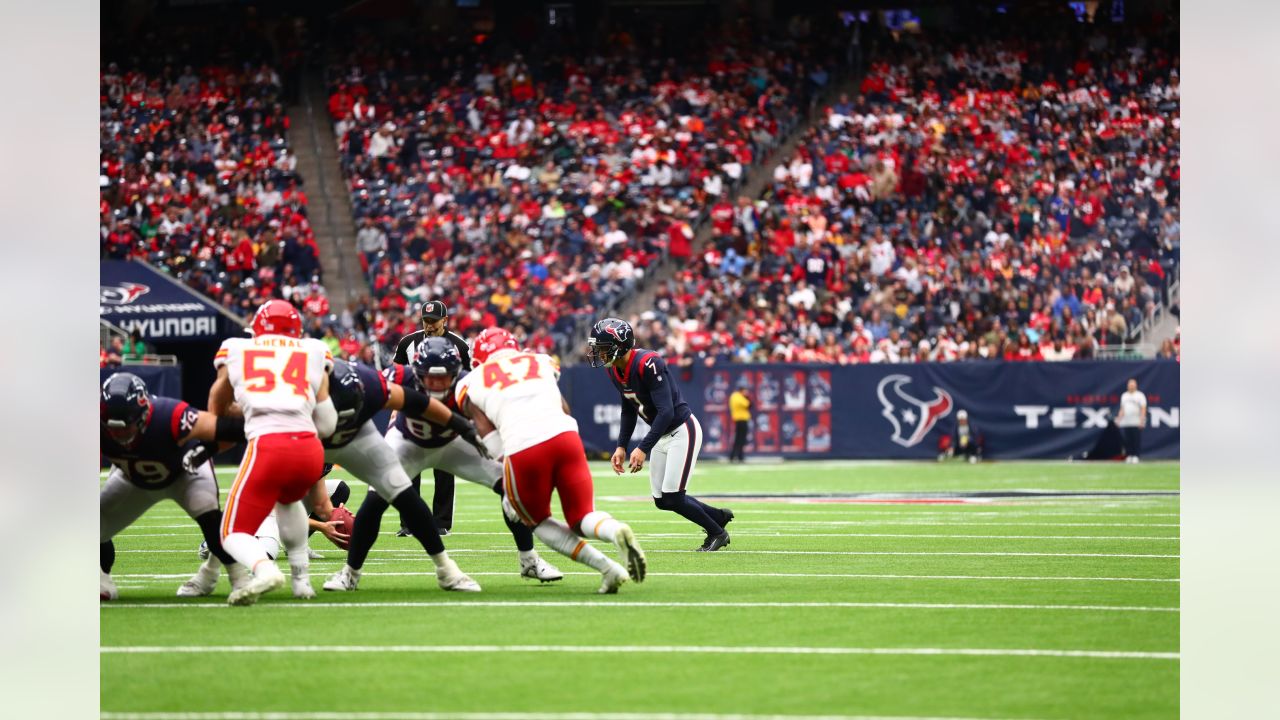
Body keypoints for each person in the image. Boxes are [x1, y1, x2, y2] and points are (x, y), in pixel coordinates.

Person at [322, 355, 554, 591]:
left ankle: (529, 559)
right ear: (418, 373)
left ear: (456, 374)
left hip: (454, 444)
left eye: (443, 378)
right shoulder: (401, 377)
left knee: (509, 484)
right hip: (407, 444)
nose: (437, 385)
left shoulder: (470, 384)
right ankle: (350, 573)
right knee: (374, 502)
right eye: (430, 378)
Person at [458, 327, 645, 594]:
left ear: (478, 357)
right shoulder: (540, 360)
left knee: (536, 520)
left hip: (524, 448)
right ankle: (613, 530)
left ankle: (608, 568)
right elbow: (564, 409)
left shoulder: (472, 380)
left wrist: (506, 466)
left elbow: (487, 434)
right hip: (566, 437)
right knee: (582, 516)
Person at [208, 299, 338, 606]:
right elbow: (329, 422)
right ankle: (301, 581)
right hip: (309, 449)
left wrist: (252, 409)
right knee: (290, 500)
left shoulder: (237, 349)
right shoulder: (314, 351)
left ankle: (264, 570)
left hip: (268, 445)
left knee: (230, 531)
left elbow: (218, 405)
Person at [588, 317, 735, 551]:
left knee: (674, 496)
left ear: (621, 346)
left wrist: (642, 448)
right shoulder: (615, 370)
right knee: (662, 500)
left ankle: (717, 532)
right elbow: (628, 409)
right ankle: (717, 516)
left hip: (681, 430)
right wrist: (621, 446)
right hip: (661, 434)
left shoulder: (648, 362)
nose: (600, 354)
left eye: (604, 349)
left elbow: (666, 412)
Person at [100, 372, 249, 601]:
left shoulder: (169, 415)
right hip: (134, 479)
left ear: (144, 413)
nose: (121, 434)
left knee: (210, 520)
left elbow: (229, 430)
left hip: (185, 475)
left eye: (127, 426)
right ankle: (101, 579)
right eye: (114, 428)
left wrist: (206, 451)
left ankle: (240, 580)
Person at [392, 300, 469, 535]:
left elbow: (469, 379)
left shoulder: (459, 345)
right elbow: (396, 377)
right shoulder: (408, 343)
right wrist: (396, 407)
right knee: (409, 468)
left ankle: (441, 523)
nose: (429, 326)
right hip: (414, 411)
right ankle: (409, 523)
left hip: (446, 413)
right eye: (426, 321)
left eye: (434, 321)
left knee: (445, 468)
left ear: (445, 320)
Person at [1116, 378, 1148, 463]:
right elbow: (1122, 409)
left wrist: (1142, 420)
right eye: (1130, 385)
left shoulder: (1140, 395)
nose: (1131, 386)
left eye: (1133, 384)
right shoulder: (1124, 395)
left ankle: (1136, 456)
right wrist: (1119, 419)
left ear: (1136, 385)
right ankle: (1129, 455)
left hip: (1136, 421)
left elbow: (1143, 408)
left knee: (1136, 439)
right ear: (1127, 386)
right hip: (1126, 421)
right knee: (1128, 440)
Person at [728, 382, 752, 463]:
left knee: (739, 439)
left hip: (739, 420)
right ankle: (738, 456)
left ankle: (734, 456)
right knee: (740, 439)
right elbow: (749, 404)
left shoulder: (735, 396)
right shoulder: (737, 396)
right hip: (741, 420)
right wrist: (746, 396)